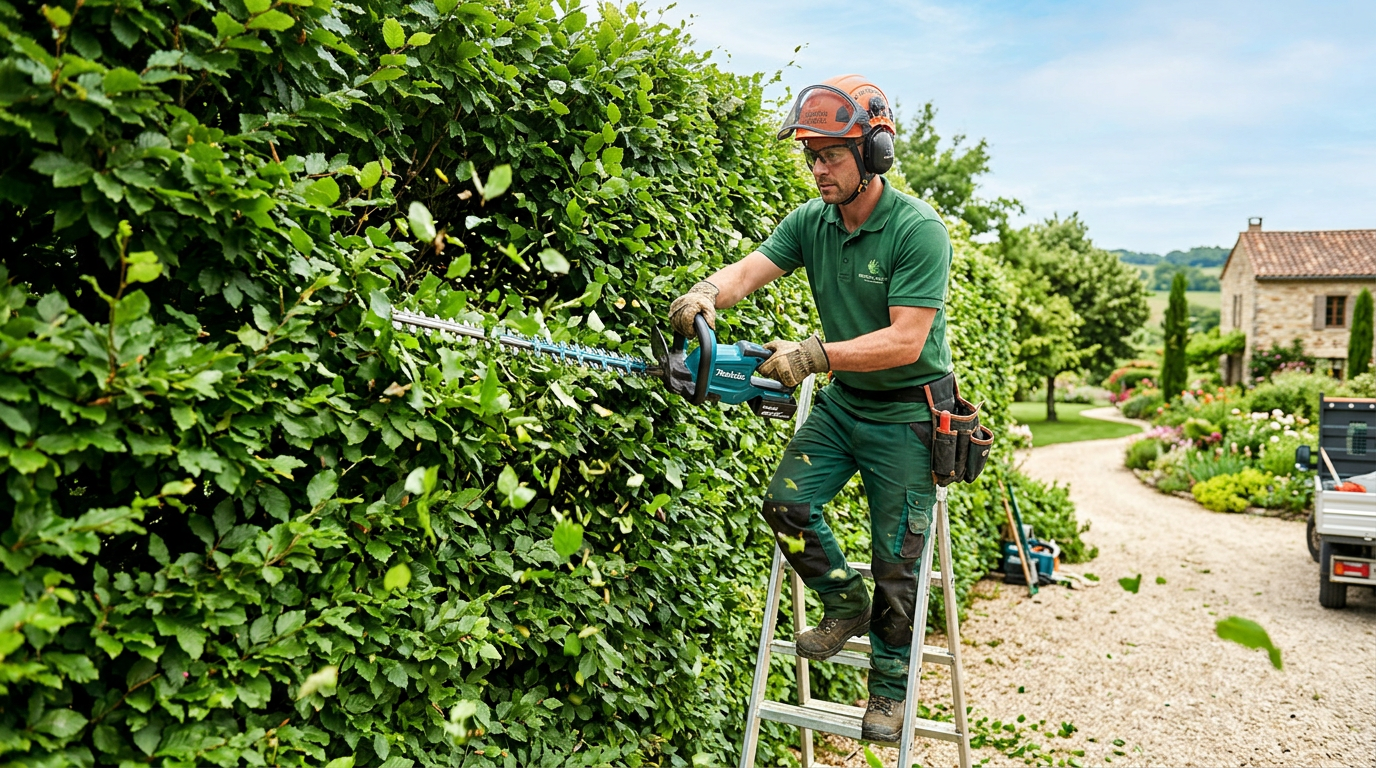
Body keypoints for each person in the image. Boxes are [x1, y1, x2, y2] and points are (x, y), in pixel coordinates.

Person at [668, 75, 954, 743]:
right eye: (812, 157)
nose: (818, 170)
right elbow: (749, 269)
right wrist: (706, 292)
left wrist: (813, 354)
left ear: (874, 153)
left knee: (897, 562)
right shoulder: (812, 224)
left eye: (831, 155)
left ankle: (888, 694)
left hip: (907, 417)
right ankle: (842, 603)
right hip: (845, 407)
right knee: (786, 503)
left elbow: (906, 339)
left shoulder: (918, 231)